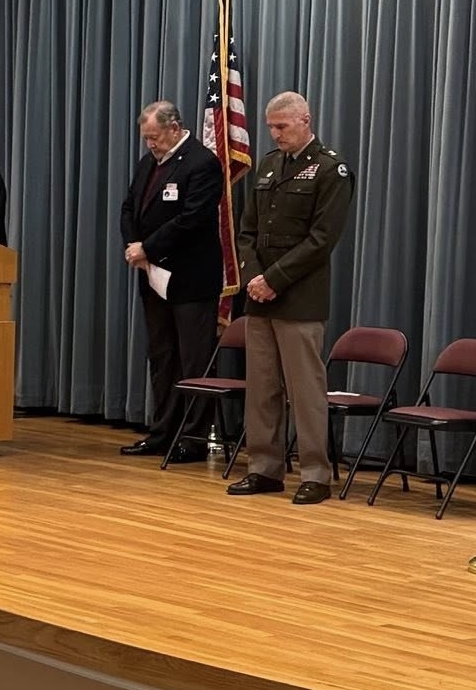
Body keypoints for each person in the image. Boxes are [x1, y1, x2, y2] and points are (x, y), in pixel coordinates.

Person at [229, 92, 356, 505]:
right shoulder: (268, 164)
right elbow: (247, 231)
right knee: (261, 387)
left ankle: (316, 474)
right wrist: (252, 278)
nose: (275, 134)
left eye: (282, 126)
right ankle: (264, 468)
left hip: (299, 296)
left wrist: (274, 279)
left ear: (305, 120)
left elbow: (321, 240)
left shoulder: (330, 170)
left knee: (305, 389)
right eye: (270, 126)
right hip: (259, 295)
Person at [117, 102, 226, 463]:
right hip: (152, 275)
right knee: (162, 356)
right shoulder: (149, 162)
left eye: (154, 137)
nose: (150, 144)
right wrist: (136, 247)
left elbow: (193, 219)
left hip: (190, 276)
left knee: (193, 358)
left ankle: (193, 437)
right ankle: (162, 432)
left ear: (175, 128)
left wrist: (147, 247)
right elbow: (130, 207)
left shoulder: (202, 163)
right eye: (146, 138)